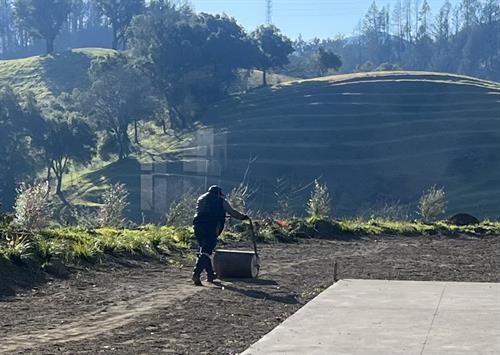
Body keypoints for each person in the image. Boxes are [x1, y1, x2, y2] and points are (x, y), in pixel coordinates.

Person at [192, 185, 249, 286]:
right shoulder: (221, 200)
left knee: (204, 250)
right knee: (206, 251)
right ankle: (196, 273)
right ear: (218, 193)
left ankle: (210, 275)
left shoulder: (201, 199)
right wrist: (243, 217)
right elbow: (232, 212)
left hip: (197, 226)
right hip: (211, 227)